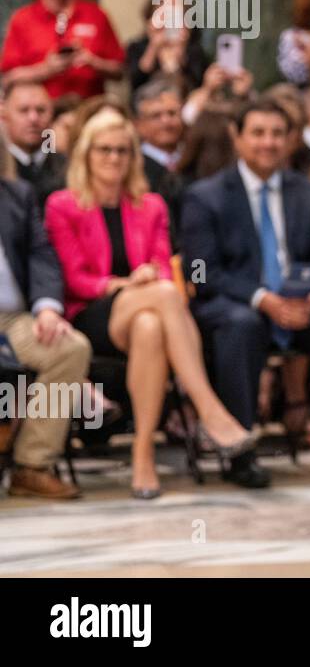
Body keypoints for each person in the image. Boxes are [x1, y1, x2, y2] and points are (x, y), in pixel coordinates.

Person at [44, 110, 254, 498]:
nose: (114, 158)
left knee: (150, 326)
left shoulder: (151, 205)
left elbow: (161, 265)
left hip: (145, 313)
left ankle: (143, 455)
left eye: (123, 150)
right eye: (104, 150)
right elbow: (75, 279)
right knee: (162, 297)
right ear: (86, 154)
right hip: (90, 314)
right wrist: (127, 283)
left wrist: (147, 279)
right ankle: (208, 409)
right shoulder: (63, 205)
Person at [180, 97, 310, 487]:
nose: (267, 143)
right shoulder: (206, 196)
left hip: (303, 306)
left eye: (276, 134)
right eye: (258, 133)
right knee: (241, 325)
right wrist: (263, 299)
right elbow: (202, 273)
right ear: (237, 137)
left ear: (290, 140)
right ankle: (240, 449)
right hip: (242, 305)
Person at [0, 132, 91, 499]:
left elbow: (42, 255)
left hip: (12, 319)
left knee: (70, 347)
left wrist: (48, 308)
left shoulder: (16, 196)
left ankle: (32, 465)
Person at [0, 0, 124, 99]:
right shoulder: (22, 19)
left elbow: (119, 71)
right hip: (39, 113)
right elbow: (8, 78)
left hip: (88, 109)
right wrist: (46, 69)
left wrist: (92, 61)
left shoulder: (96, 15)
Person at [125, 0, 210, 95]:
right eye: (164, 3)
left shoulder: (194, 50)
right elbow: (135, 83)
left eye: (176, 4)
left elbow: (196, 83)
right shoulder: (137, 47)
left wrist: (181, 48)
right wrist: (154, 46)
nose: (170, 10)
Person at [132, 79, 187, 238]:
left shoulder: (196, 158)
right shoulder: (133, 166)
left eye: (172, 113)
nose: (167, 122)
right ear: (138, 124)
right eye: (156, 116)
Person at [1, 80, 67, 208]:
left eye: (41, 110)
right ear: (4, 115)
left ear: (52, 115)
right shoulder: (2, 169)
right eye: (23, 110)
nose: (33, 118)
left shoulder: (68, 168)